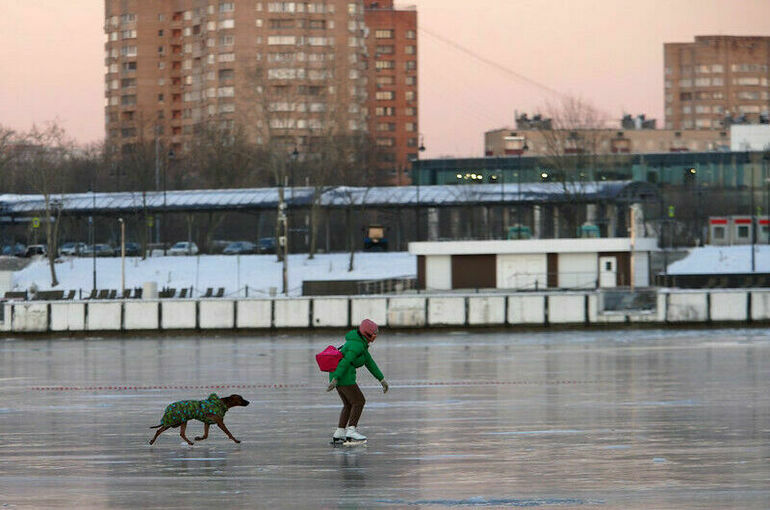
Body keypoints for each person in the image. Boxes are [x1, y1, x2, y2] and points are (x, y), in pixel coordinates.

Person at [326, 318, 388, 443]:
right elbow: (345, 362)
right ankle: (351, 431)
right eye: (374, 334)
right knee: (359, 401)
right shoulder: (357, 345)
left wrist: (381, 379)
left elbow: (370, 363)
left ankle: (340, 432)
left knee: (349, 404)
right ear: (367, 333)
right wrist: (336, 379)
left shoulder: (361, 344)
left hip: (340, 376)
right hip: (343, 377)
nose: (375, 336)